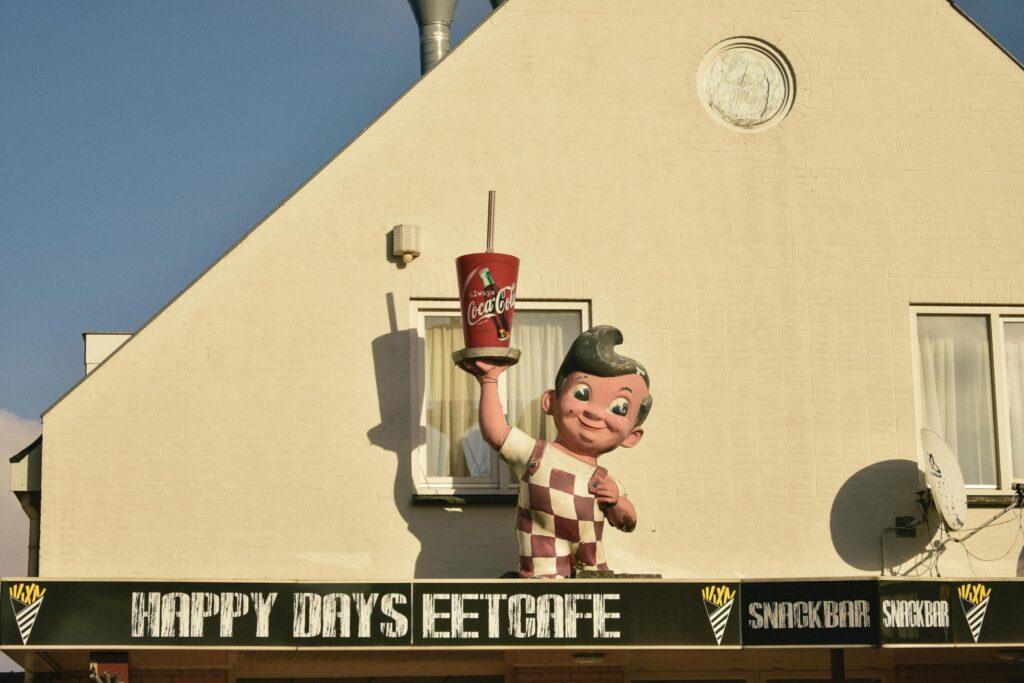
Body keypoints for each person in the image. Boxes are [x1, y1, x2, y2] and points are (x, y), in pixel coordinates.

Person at [467, 325, 652, 578]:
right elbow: (497, 431)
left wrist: (617, 500)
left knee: (596, 596)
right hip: (543, 558)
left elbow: (627, 522)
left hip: (593, 566)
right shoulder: (535, 455)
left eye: (619, 408)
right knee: (547, 587)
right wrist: (489, 380)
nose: (594, 412)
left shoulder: (603, 480)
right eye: (582, 393)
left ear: (632, 436)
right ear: (550, 401)